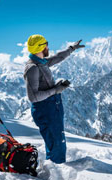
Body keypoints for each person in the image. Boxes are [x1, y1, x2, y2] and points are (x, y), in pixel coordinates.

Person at [23, 34, 85, 164]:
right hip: (45, 110)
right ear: (40, 47)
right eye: (46, 44)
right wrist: (55, 90)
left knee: (55, 141)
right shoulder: (33, 68)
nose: (48, 47)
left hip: (52, 107)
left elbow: (57, 58)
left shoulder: (41, 62)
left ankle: (54, 168)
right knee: (56, 142)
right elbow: (33, 97)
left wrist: (71, 48)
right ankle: (57, 170)